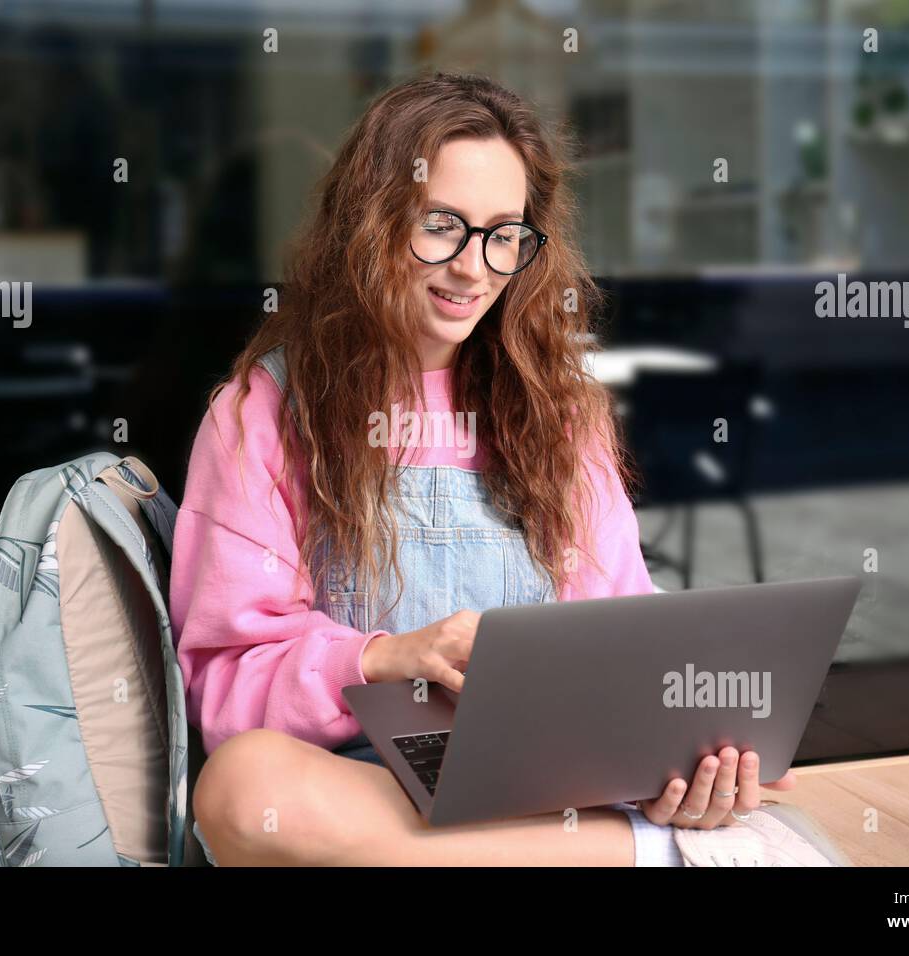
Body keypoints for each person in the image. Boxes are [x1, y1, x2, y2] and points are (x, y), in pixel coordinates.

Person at [169, 72, 804, 866]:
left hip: (544, 797)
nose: (474, 268)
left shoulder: (563, 412)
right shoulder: (262, 411)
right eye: (442, 226)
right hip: (365, 797)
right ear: (369, 220)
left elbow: (624, 627)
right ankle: (638, 857)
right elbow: (221, 691)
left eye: (504, 234)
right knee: (245, 788)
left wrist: (687, 760)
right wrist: (378, 659)